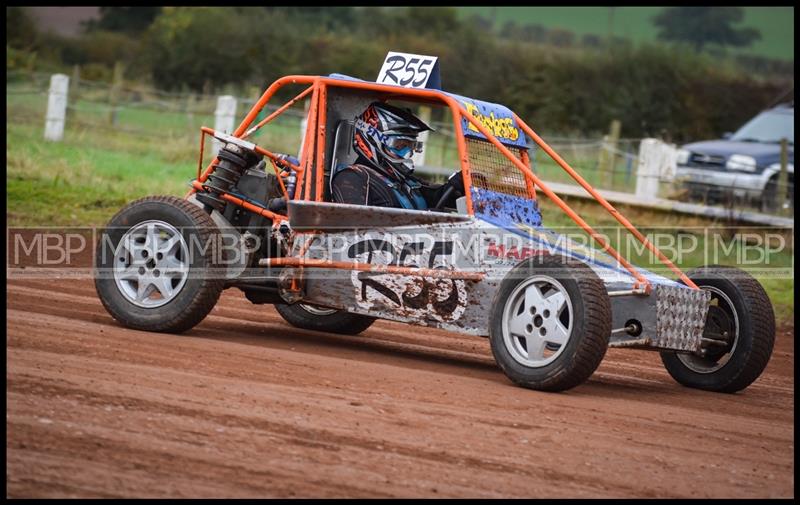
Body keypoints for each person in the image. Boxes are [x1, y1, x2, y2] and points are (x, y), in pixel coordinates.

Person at [330, 101, 463, 210]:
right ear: (372, 139)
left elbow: (439, 197)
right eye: (400, 145)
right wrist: (424, 222)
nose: (407, 153)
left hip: (418, 241)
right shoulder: (352, 178)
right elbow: (358, 230)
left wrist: (458, 184)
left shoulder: (406, 181)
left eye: (411, 146)